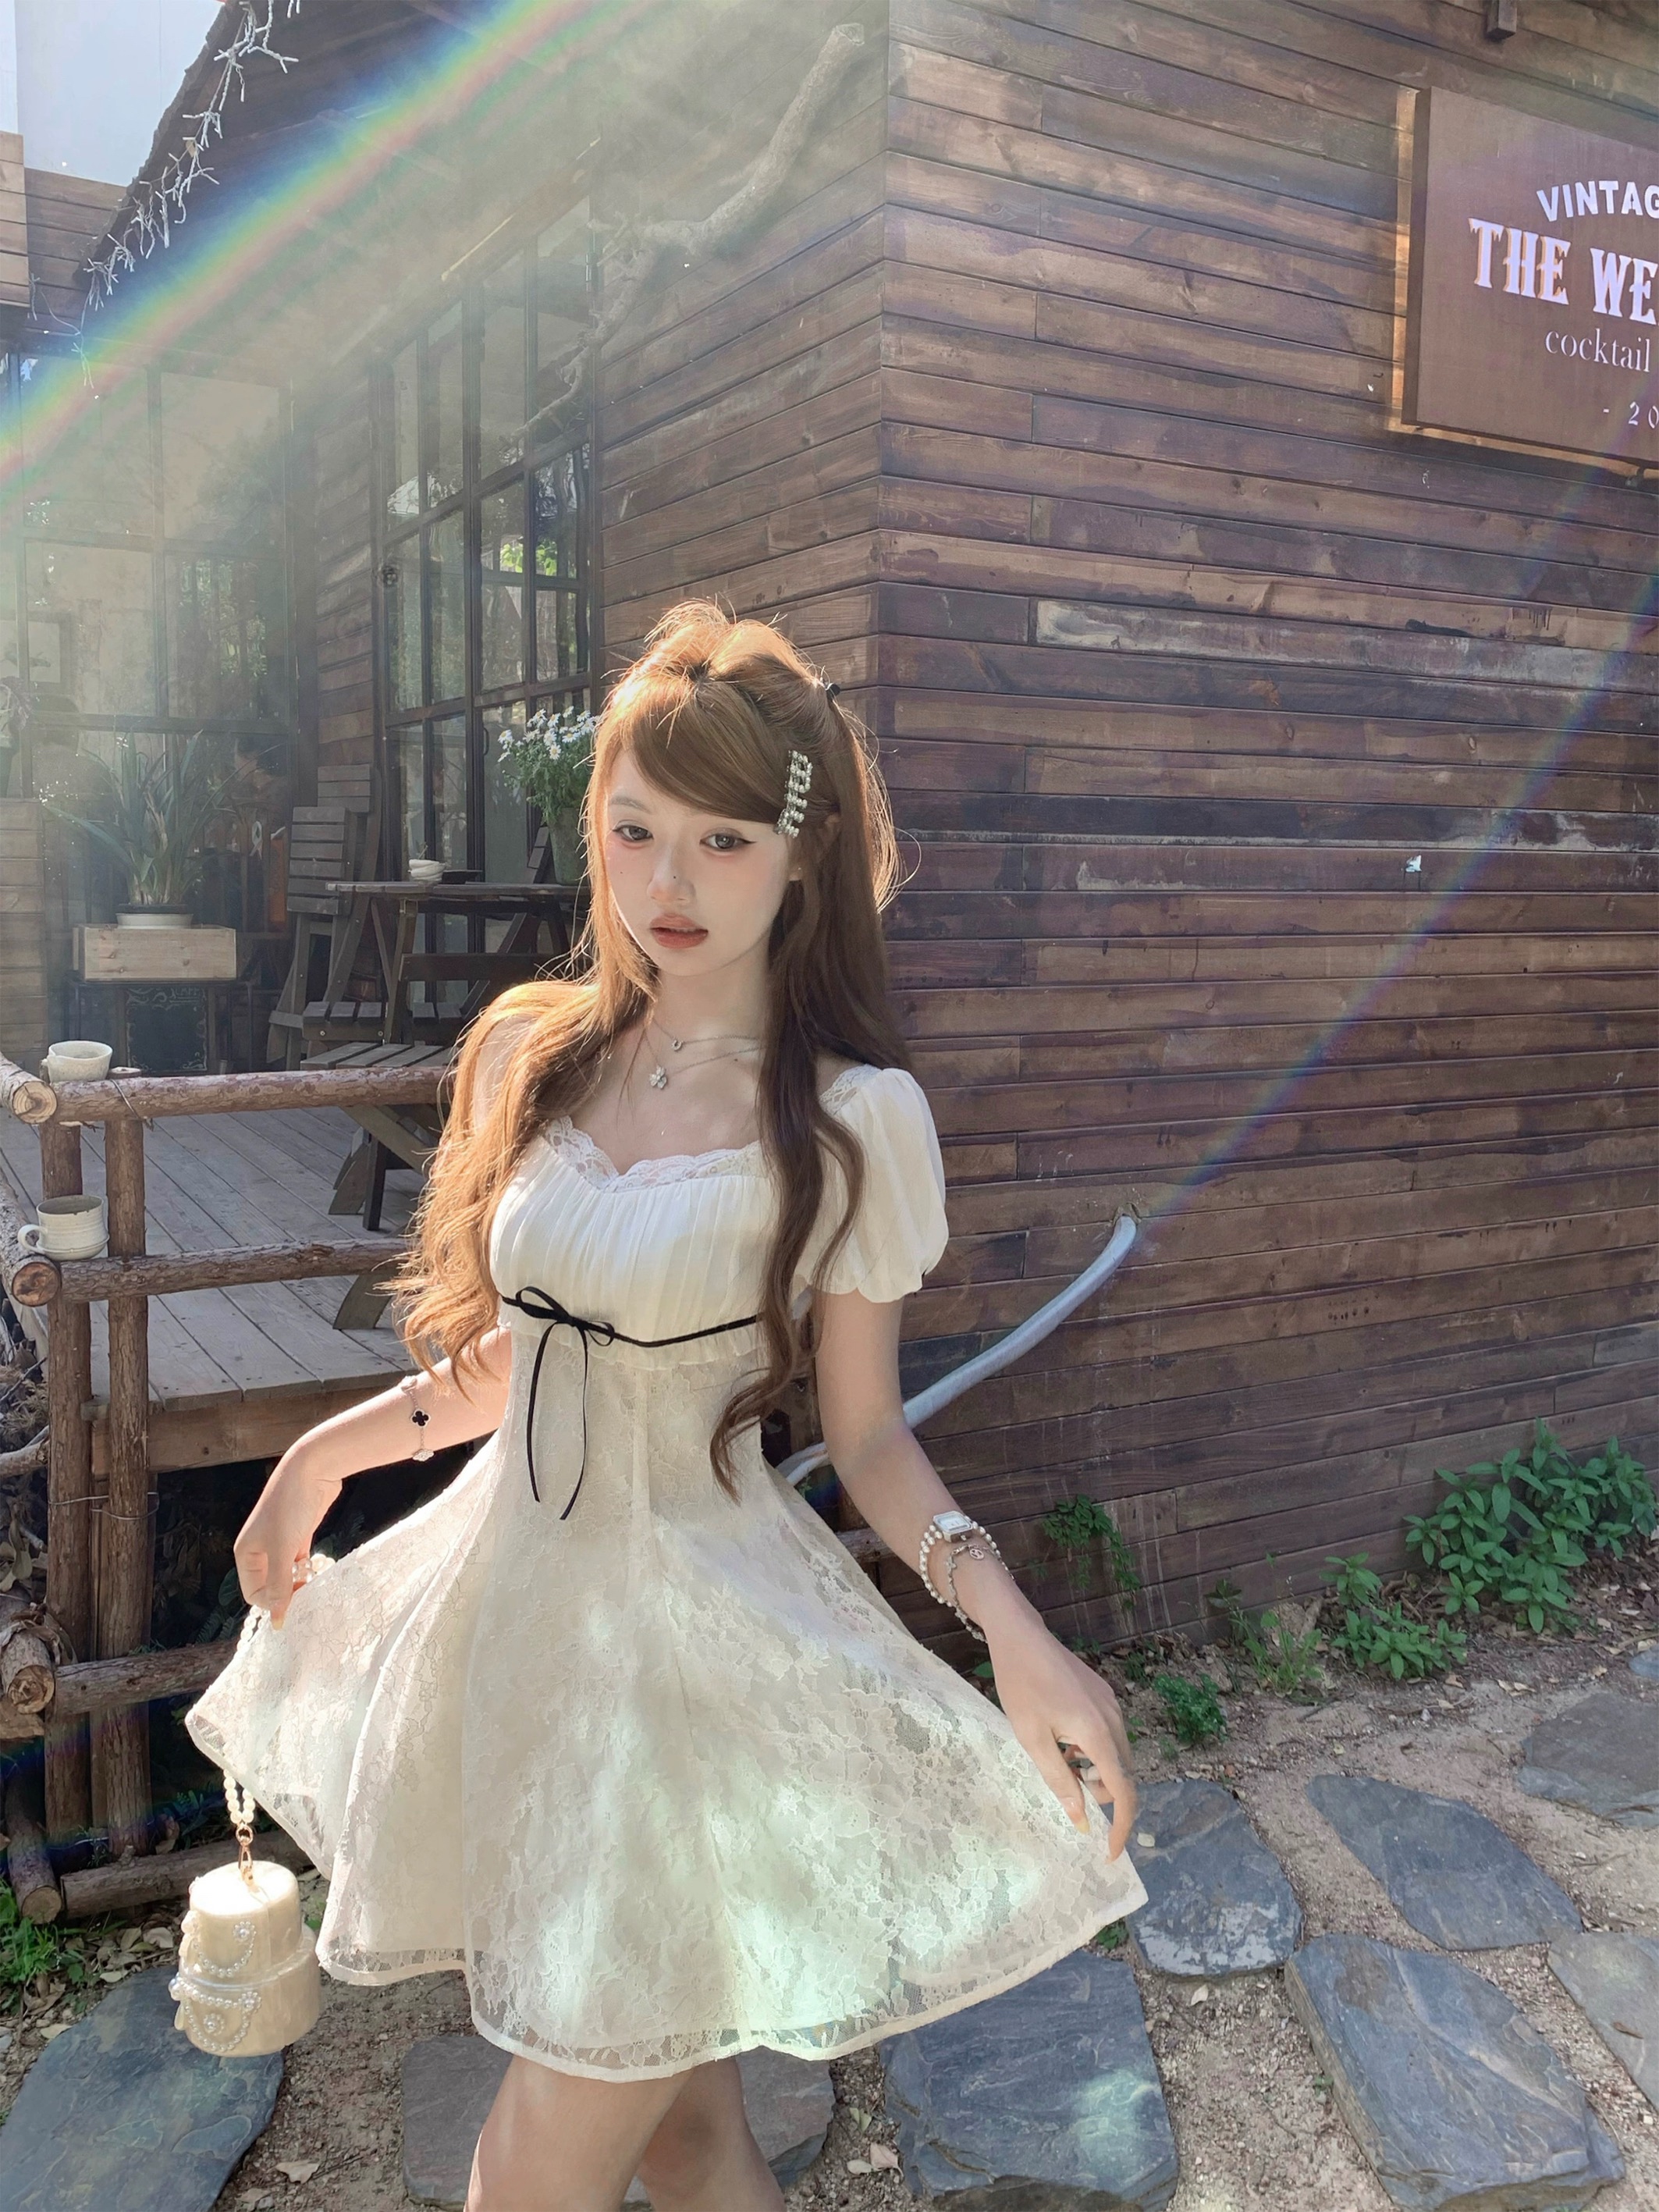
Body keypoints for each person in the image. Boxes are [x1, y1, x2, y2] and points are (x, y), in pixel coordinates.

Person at [190, 603, 1143, 2212]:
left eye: (720, 840)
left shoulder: (851, 1120)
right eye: (634, 831)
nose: (668, 882)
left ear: (800, 853)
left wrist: (1008, 1625)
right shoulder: (538, 1056)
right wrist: (321, 1457)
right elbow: (519, 1358)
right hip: (519, 1637)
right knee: (693, 2135)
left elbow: (869, 1434)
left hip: (689, 1672)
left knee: (525, 2178)